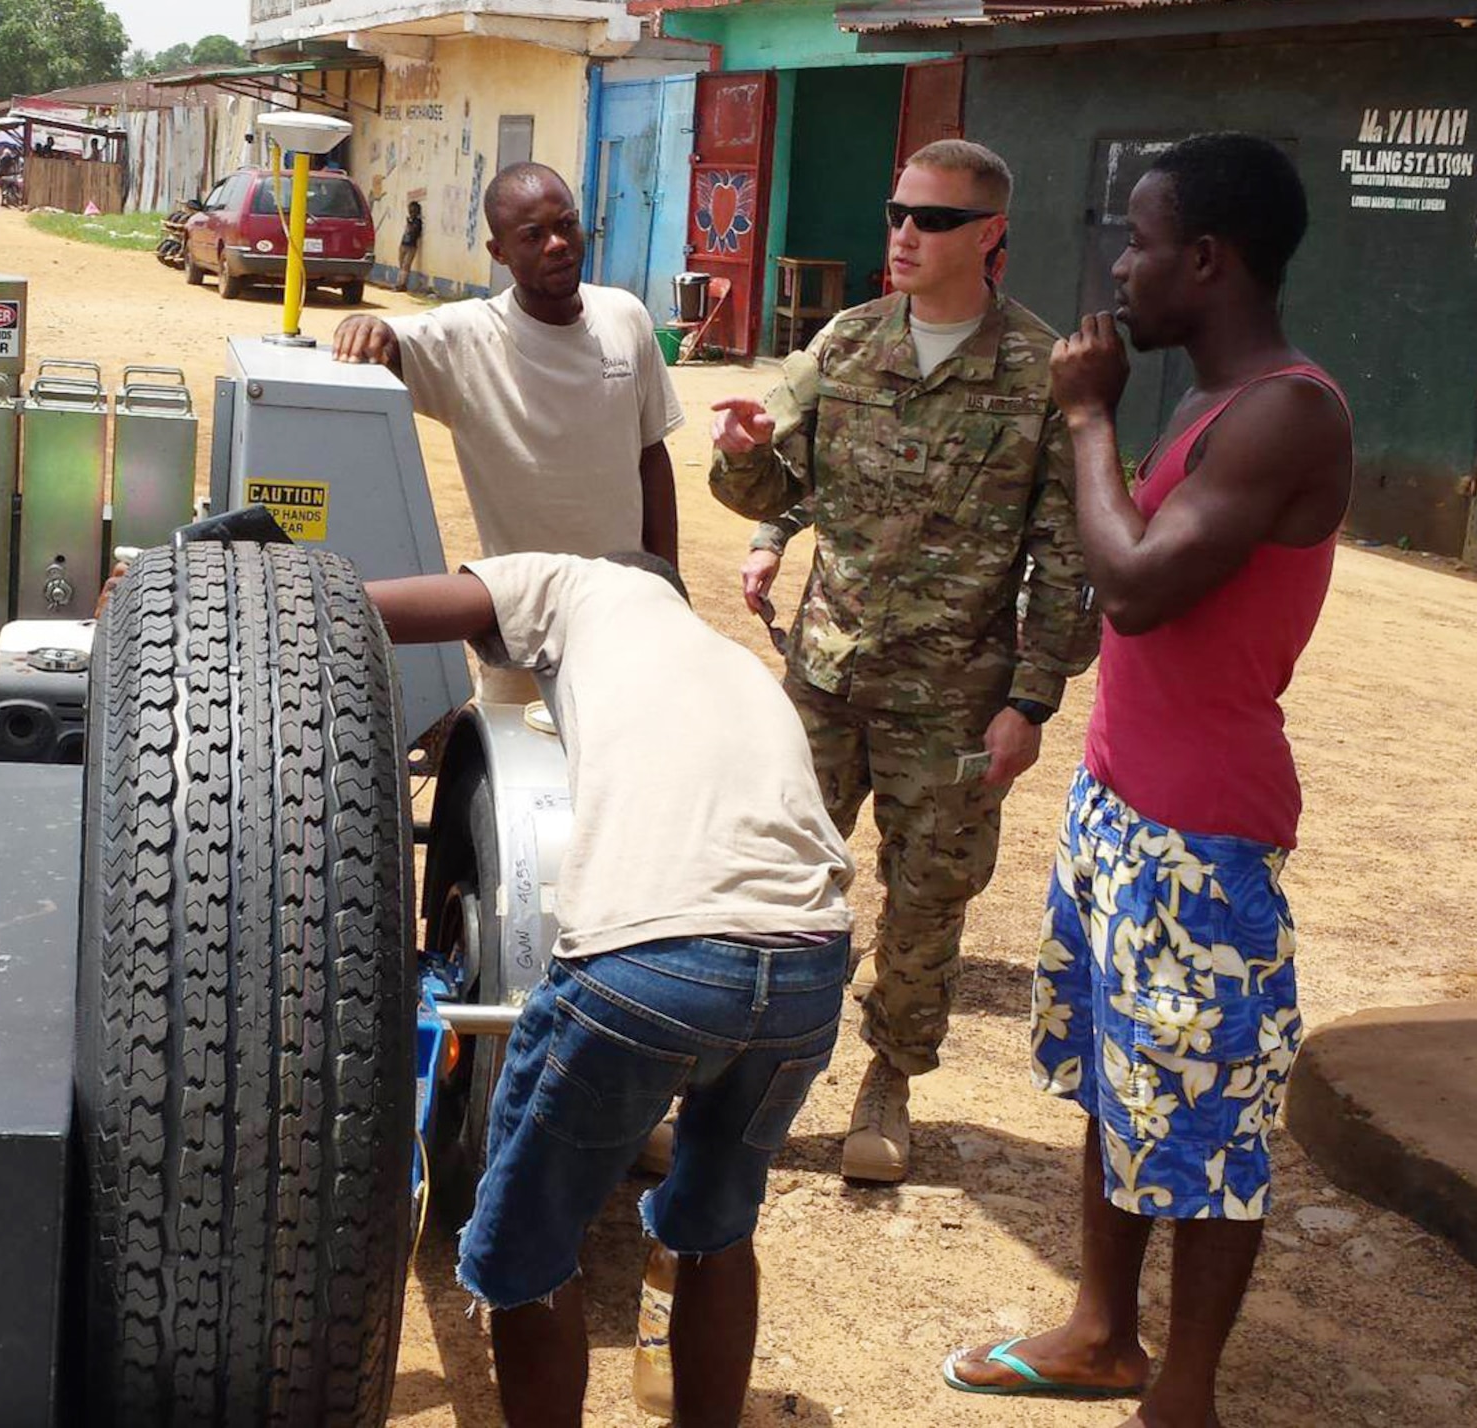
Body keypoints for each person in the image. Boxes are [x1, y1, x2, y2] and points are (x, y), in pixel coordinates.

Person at [942, 134, 1352, 1428]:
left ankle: (1183, 1394)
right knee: (1127, 1085)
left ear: (1208, 260)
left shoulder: (1289, 411)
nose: (1120, 268)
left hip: (1203, 838)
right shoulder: (1209, 402)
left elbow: (1133, 581)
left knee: (1212, 1127)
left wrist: (1083, 416)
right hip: (1124, 809)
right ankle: (1103, 1334)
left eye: (1140, 242)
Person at [365, 550, 854, 1428]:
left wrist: (221, 588)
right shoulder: (734, 665)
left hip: (653, 966)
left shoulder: (581, 584)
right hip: (809, 966)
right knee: (717, 1222)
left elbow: (388, 606)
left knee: (522, 1246)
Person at [706, 139, 1098, 1183]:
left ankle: (887, 1081)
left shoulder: (1039, 374)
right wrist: (744, 456)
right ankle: (729, 1074)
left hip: (957, 704)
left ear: (988, 236)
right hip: (826, 675)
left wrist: (1031, 699)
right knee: (773, 875)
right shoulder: (841, 344)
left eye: (929, 219)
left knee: (924, 902)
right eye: (895, 214)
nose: (903, 235)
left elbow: (1065, 555)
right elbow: (767, 489)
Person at [333, 162, 683, 698]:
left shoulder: (626, 317)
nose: (558, 244)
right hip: (523, 625)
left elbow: (650, 454)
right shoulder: (469, 336)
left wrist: (668, 582)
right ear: (499, 253)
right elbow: (391, 340)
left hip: (627, 613)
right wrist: (363, 325)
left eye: (566, 224)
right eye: (533, 235)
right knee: (517, 765)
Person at [395, 198, 424, 294]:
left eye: (413, 210)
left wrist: (410, 222)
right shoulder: (410, 220)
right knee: (401, 265)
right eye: (410, 210)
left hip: (411, 246)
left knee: (406, 265)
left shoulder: (417, 221)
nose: (411, 212)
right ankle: (399, 283)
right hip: (404, 244)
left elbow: (414, 231)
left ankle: (401, 285)